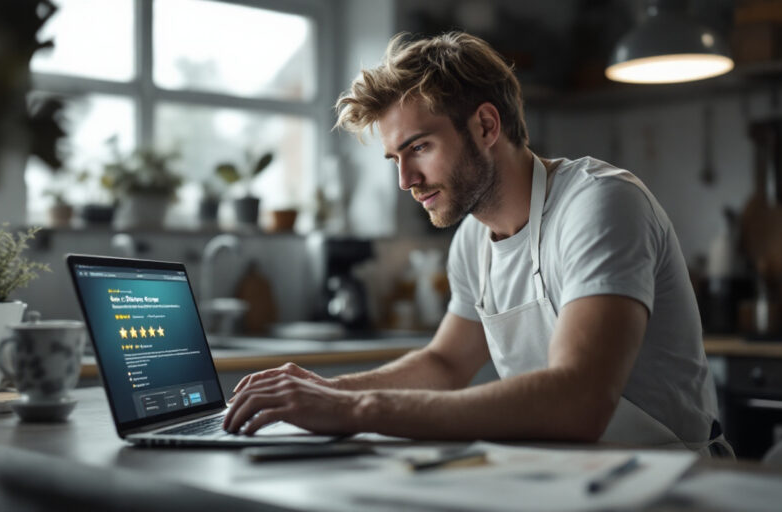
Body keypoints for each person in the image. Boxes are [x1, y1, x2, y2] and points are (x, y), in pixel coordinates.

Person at [223, 31, 731, 455]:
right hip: (567, 480)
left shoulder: (599, 203)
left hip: (673, 481)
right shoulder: (472, 238)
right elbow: (445, 364)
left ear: (487, 125)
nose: (406, 180)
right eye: (394, 158)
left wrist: (356, 409)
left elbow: (580, 401)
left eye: (419, 147)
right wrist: (323, 391)